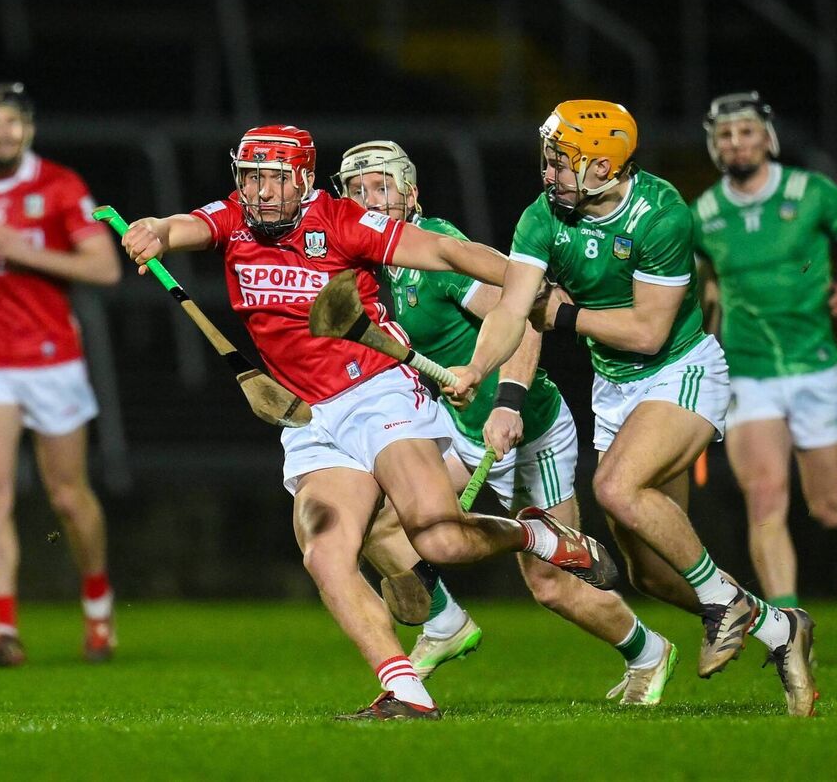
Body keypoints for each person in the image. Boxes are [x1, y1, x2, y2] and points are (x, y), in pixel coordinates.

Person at [120, 125, 619, 720]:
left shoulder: (339, 221)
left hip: (378, 391)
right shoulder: (233, 218)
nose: (261, 192)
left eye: (275, 178)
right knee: (325, 553)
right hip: (309, 415)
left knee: (439, 537)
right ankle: (406, 691)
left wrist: (518, 275)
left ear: (303, 179)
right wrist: (155, 230)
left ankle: (540, 535)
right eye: (252, 177)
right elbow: (182, 227)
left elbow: (439, 251)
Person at [452, 99, 818, 716]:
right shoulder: (541, 217)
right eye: (549, 159)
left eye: (562, 162)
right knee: (647, 573)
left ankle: (725, 603)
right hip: (615, 388)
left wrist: (565, 314)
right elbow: (514, 310)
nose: (549, 172)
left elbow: (649, 332)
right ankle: (779, 629)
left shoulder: (662, 214)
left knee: (617, 488)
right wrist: (481, 374)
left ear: (603, 168)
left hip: (681, 369)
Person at [336, 140, 678, 705]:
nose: (369, 200)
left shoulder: (437, 251)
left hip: (527, 426)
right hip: (457, 427)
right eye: (356, 189)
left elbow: (529, 313)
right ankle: (445, 624)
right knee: (375, 520)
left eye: (382, 187)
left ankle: (649, 651)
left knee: (553, 585)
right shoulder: (361, 261)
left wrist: (509, 404)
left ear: (411, 195)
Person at [0, 82, 122, 667]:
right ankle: (4, 630)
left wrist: (23, 250)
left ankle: (96, 601)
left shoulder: (60, 186)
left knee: (68, 496)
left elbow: (105, 267)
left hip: (51, 358)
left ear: (28, 129)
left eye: (11, 123)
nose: (1, 133)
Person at [692, 91, 837, 608]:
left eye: (746, 132)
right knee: (764, 498)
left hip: (814, 366)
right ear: (714, 147)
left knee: (829, 507)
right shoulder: (704, 214)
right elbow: (708, 290)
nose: (736, 143)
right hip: (747, 372)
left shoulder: (813, 193)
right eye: (725, 136)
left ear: (768, 138)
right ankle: (790, 632)